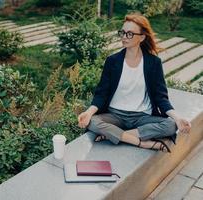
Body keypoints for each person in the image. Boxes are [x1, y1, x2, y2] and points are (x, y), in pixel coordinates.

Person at [78, 13, 191, 152]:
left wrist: (178, 118)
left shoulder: (153, 63)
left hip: (142, 116)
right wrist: (88, 113)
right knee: (93, 122)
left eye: (130, 34)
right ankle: (140, 142)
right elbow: (101, 93)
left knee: (170, 126)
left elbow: (161, 98)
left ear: (142, 37)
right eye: (123, 32)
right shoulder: (112, 61)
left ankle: (113, 135)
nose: (124, 37)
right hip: (115, 115)